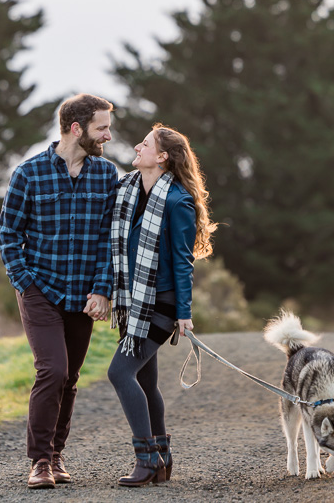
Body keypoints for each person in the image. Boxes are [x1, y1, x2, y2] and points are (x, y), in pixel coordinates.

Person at [0, 93, 119, 489]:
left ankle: (57, 454)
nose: (108, 136)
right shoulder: (28, 173)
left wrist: (102, 290)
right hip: (40, 288)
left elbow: (108, 240)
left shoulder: (106, 176)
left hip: (83, 295)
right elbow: (8, 233)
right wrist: (25, 281)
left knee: (70, 377)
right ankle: (39, 462)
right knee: (52, 370)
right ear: (76, 128)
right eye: (102, 128)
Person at [107, 123, 217, 487]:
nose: (138, 146)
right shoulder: (130, 191)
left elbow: (183, 261)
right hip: (134, 301)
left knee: (120, 373)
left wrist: (184, 313)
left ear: (163, 157)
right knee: (144, 378)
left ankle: (147, 458)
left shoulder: (178, 201)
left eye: (146, 144)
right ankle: (163, 458)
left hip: (162, 303)